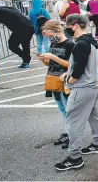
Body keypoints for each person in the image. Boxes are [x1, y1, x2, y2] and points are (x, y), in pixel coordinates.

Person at [54, 14, 98, 171]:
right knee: (95, 115)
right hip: (95, 84)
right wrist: (69, 73)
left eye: (67, 26)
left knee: (74, 121)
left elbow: (79, 71)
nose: (66, 29)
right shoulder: (91, 40)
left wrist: (69, 80)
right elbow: (84, 64)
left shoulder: (81, 44)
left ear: (75, 25)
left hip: (84, 87)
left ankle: (75, 158)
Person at [38, 21, 75, 149]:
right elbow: (51, 64)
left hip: (64, 81)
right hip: (53, 79)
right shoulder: (54, 43)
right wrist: (44, 60)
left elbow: (71, 65)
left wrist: (53, 57)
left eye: (50, 35)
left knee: (68, 109)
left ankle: (72, 135)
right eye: (48, 37)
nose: (49, 39)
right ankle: (68, 132)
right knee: (62, 109)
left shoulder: (70, 44)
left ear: (57, 31)